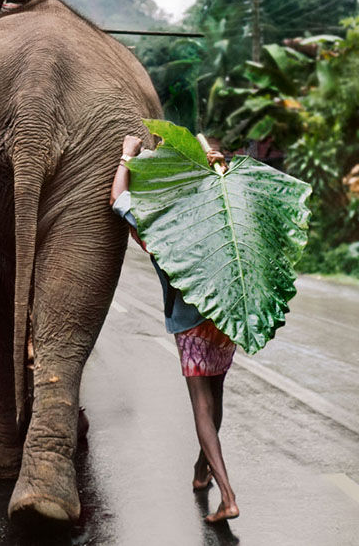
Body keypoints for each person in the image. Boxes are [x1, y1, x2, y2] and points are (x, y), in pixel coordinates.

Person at [109, 134, 241, 524]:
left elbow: (117, 199)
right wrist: (222, 169)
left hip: (192, 324)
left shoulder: (164, 220)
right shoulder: (217, 207)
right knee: (216, 398)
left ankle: (228, 497)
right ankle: (202, 472)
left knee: (202, 409)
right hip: (226, 317)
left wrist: (127, 156)